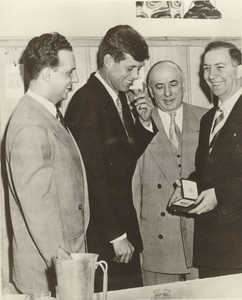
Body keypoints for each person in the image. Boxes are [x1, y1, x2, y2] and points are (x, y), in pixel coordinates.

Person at [65, 24, 156, 291]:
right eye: (130, 68)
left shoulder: (115, 96)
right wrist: (116, 235)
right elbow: (93, 177)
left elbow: (121, 161)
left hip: (118, 230)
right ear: (108, 61)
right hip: (106, 237)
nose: (136, 77)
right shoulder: (88, 101)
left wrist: (145, 122)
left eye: (138, 69)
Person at [5, 32, 90, 295]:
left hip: (61, 263)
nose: (74, 80)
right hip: (51, 274)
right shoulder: (30, 126)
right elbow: (41, 216)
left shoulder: (44, 114)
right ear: (47, 75)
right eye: (69, 72)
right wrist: (69, 275)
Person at [169, 41, 242, 278]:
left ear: (239, 70)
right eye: (206, 68)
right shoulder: (208, 118)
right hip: (210, 246)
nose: (211, 76)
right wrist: (185, 187)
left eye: (220, 67)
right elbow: (205, 172)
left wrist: (220, 195)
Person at [132, 60, 207, 285]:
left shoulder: (207, 118)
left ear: (184, 83)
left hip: (201, 244)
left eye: (173, 84)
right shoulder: (138, 125)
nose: (167, 93)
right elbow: (132, 190)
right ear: (149, 90)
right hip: (157, 247)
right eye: (159, 86)